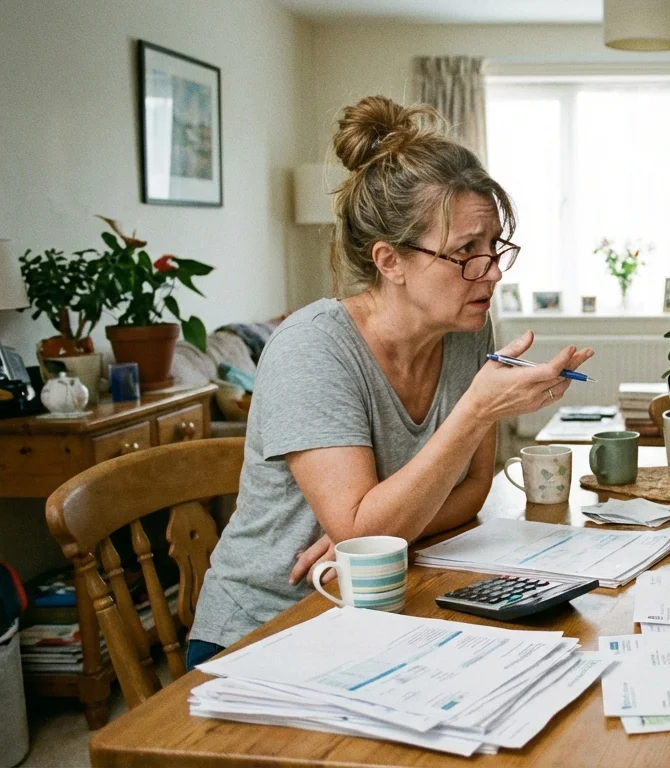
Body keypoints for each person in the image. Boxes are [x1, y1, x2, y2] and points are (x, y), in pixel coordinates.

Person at [187, 96, 592, 666]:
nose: (493, 271)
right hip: (271, 628)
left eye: (494, 247)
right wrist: (476, 411)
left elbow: (471, 492)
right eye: (466, 252)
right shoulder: (313, 349)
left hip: (382, 607)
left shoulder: (466, 330)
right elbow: (361, 532)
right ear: (390, 261)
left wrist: (380, 534)